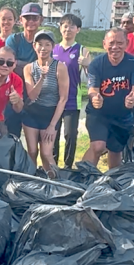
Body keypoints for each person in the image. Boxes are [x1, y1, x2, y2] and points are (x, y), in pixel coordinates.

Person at [83, 28, 134, 169]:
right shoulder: (96, 64)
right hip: (99, 114)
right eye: (111, 43)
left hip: (122, 115)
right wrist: (95, 97)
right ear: (104, 44)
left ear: (127, 43)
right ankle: (83, 176)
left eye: (119, 43)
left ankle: (112, 181)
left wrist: (133, 97)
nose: (115, 47)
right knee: (98, 146)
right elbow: (92, 88)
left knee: (116, 150)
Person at [22, 30, 70, 176]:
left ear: (53, 47)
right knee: (32, 151)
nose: (43, 48)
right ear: (34, 46)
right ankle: (31, 181)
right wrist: (42, 78)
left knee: (46, 153)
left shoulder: (60, 67)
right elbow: (32, 95)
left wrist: (52, 125)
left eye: (47, 45)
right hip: (32, 112)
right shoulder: (29, 68)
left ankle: (56, 182)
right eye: (40, 44)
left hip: (50, 114)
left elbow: (63, 98)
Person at [4, 3, 44, 137]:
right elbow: (9, 65)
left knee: (36, 139)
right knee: (11, 134)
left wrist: (21, 65)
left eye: (35, 18)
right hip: (14, 92)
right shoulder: (14, 39)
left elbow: (47, 67)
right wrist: (34, 66)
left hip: (37, 95)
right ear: (21, 20)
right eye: (27, 18)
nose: (31, 22)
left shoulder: (43, 42)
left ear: (41, 20)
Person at [51, 14, 87, 169]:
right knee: (53, 133)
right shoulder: (53, 49)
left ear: (78, 30)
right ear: (60, 28)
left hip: (72, 99)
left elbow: (90, 76)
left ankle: (67, 166)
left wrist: (87, 65)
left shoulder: (81, 50)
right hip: (53, 99)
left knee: (70, 135)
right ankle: (52, 166)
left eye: (72, 26)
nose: (68, 29)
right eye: (65, 26)